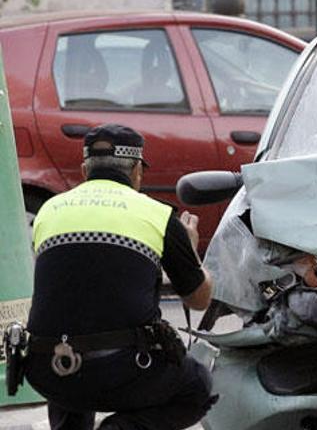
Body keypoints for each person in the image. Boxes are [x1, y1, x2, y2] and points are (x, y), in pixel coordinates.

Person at [24, 124, 215, 430]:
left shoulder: (48, 210)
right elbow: (198, 299)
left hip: (47, 370)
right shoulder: (159, 216)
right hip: (122, 370)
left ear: (85, 169)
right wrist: (190, 251)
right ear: (137, 170)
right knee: (197, 387)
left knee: (68, 351)